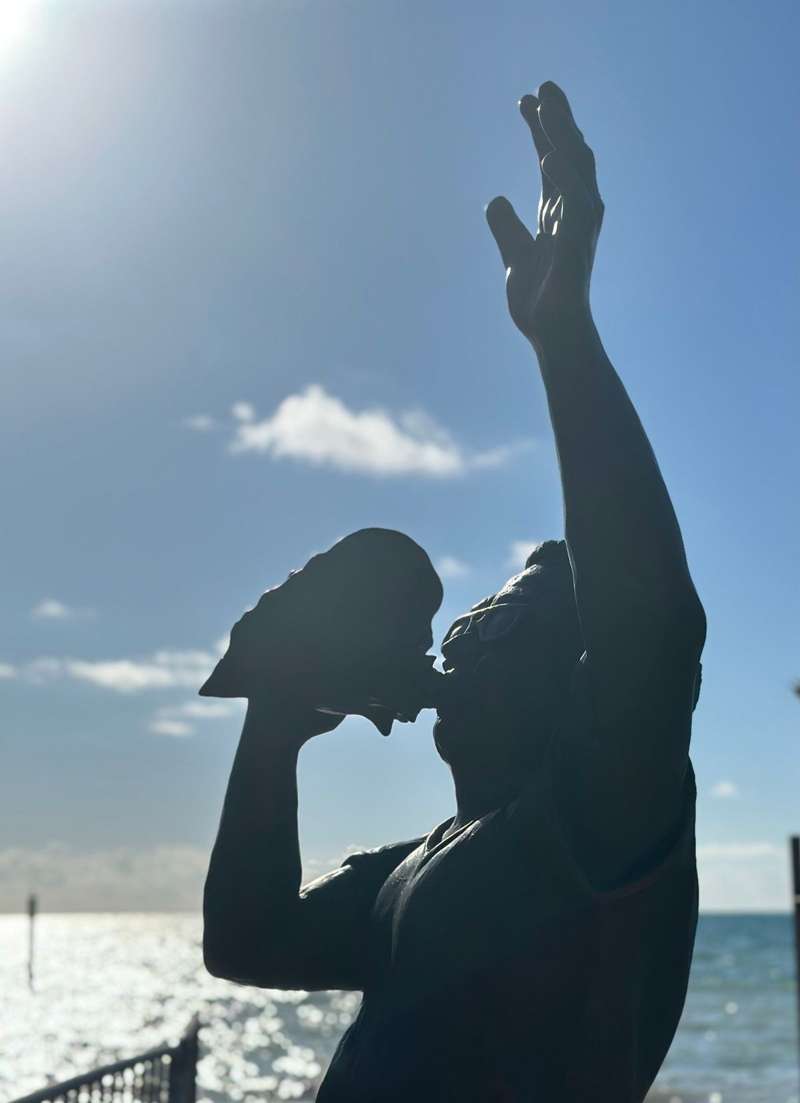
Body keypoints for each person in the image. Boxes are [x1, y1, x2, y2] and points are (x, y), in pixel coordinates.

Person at [202, 80, 706, 1102]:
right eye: (469, 620)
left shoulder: (597, 820)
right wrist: (273, 719)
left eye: (498, 619)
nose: (461, 638)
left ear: (576, 679)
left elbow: (648, 625)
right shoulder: (419, 859)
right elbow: (246, 940)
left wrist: (562, 337)